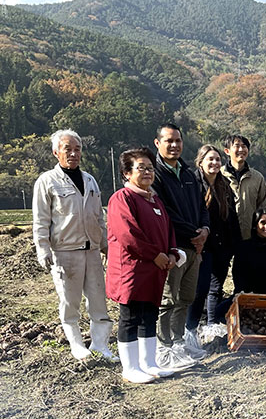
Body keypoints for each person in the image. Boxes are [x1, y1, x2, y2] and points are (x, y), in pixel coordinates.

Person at [32, 129, 116, 362]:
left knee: (98, 300)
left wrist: (105, 244)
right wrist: (43, 248)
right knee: (70, 303)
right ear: (55, 152)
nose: (73, 153)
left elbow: (98, 216)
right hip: (65, 251)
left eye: (77, 149)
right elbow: (41, 219)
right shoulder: (47, 181)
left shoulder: (89, 180)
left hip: (91, 250)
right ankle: (77, 345)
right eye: (67, 149)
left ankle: (101, 345)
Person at [106, 148, 181, 383]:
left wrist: (171, 253)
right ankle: (130, 367)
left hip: (155, 269)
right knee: (130, 316)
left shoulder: (155, 199)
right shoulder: (122, 198)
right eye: (141, 168)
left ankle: (149, 363)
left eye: (150, 168)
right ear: (127, 173)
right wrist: (155, 255)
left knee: (149, 315)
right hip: (132, 269)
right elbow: (129, 235)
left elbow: (168, 230)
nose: (148, 172)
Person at [152, 123, 210, 367]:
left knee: (186, 297)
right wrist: (194, 233)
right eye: (169, 141)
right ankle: (163, 348)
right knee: (169, 298)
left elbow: (202, 207)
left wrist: (205, 230)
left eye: (178, 140)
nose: (174, 145)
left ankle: (178, 343)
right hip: (174, 246)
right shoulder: (154, 173)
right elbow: (165, 213)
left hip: (194, 247)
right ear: (158, 143)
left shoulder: (188, 173)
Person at [186, 145, 240, 340]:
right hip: (202, 245)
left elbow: (231, 217)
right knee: (200, 289)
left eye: (217, 159)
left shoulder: (223, 185)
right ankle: (190, 330)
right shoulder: (193, 183)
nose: (215, 163)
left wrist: (235, 244)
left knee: (216, 287)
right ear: (200, 161)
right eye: (210, 159)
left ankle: (210, 325)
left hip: (222, 245)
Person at [220, 208, 266, 319]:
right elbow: (238, 274)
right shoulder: (244, 248)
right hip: (250, 297)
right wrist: (241, 292)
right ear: (255, 225)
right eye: (263, 223)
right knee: (220, 311)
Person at [221, 134, 266, 240]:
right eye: (237, 146)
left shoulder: (257, 177)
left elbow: (263, 209)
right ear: (227, 151)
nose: (241, 149)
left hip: (250, 237)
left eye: (244, 146)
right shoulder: (219, 176)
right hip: (224, 238)